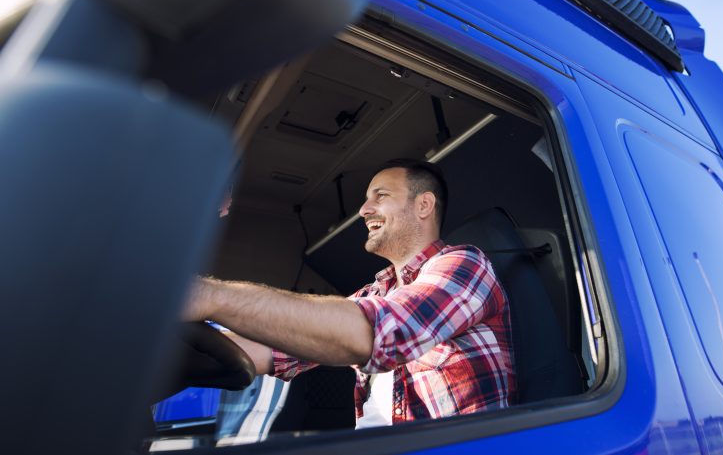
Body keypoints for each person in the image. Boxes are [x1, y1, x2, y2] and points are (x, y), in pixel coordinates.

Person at [184, 159, 515, 427]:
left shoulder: (465, 264)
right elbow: (271, 348)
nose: (363, 210)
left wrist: (211, 296)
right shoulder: (375, 293)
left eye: (379, 196)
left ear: (424, 205)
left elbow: (383, 332)